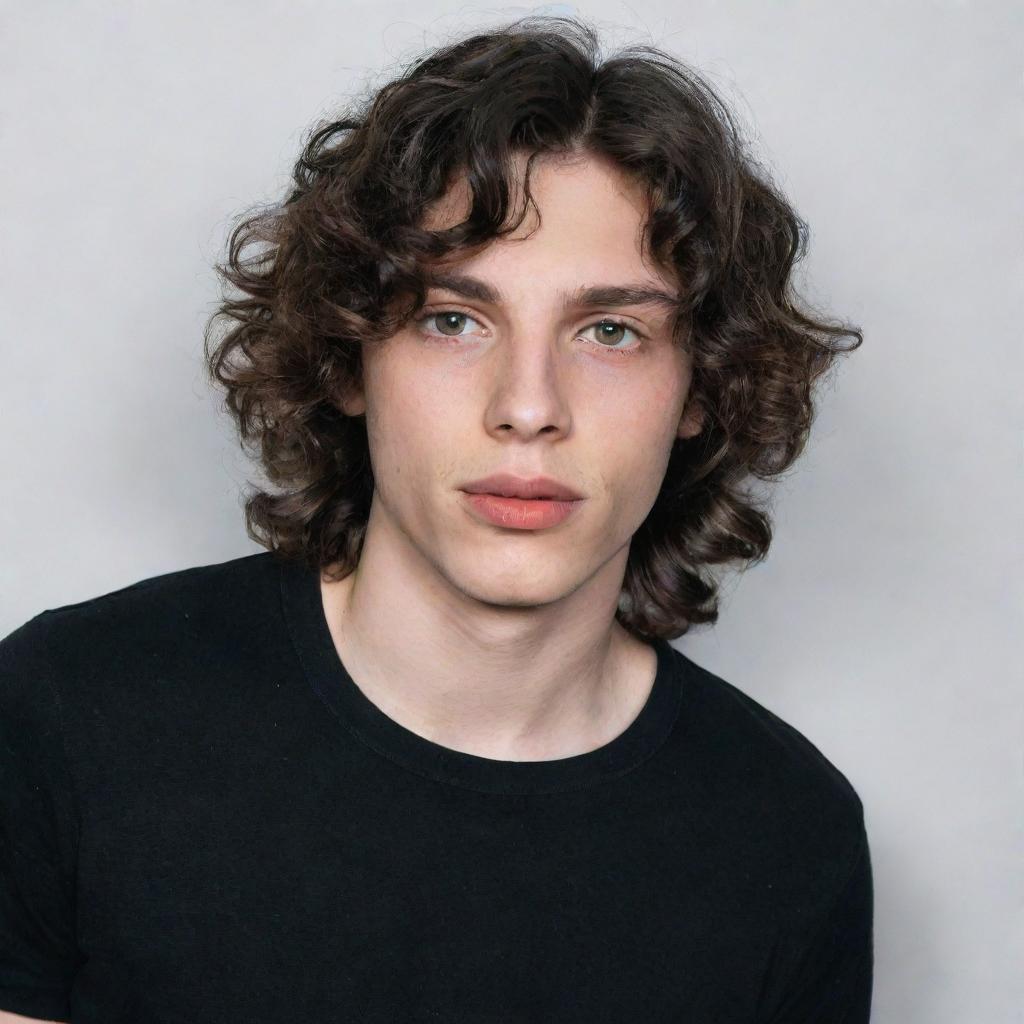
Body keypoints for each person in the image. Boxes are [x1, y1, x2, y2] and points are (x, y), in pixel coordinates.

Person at [0, 15, 873, 1023]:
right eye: (453, 318)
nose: (528, 404)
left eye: (611, 331)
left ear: (698, 389)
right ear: (350, 358)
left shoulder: (785, 835)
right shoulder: (70, 716)